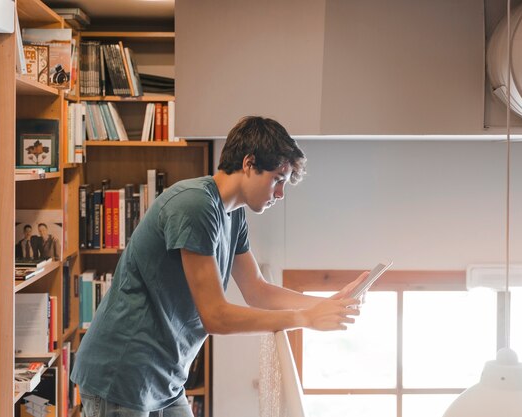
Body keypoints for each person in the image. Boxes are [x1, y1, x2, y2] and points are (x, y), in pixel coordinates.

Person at [71, 116, 369, 417]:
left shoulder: (234, 214)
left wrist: (327, 304)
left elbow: (257, 291)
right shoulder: (195, 205)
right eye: (277, 179)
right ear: (249, 163)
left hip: (164, 377)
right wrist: (304, 317)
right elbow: (215, 316)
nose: (280, 194)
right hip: (122, 373)